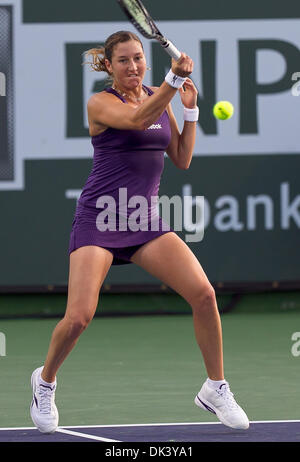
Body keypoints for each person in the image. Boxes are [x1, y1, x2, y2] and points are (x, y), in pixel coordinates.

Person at [30, 30, 249, 434]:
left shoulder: (158, 96)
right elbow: (136, 120)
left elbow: (181, 158)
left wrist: (190, 110)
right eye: (124, 61)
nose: (133, 67)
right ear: (109, 67)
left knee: (204, 294)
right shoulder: (100, 103)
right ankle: (45, 381)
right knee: (78, 317)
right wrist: (171, 81)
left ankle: (216, 387)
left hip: (145, 219)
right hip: (100, 218)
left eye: (138, 58)